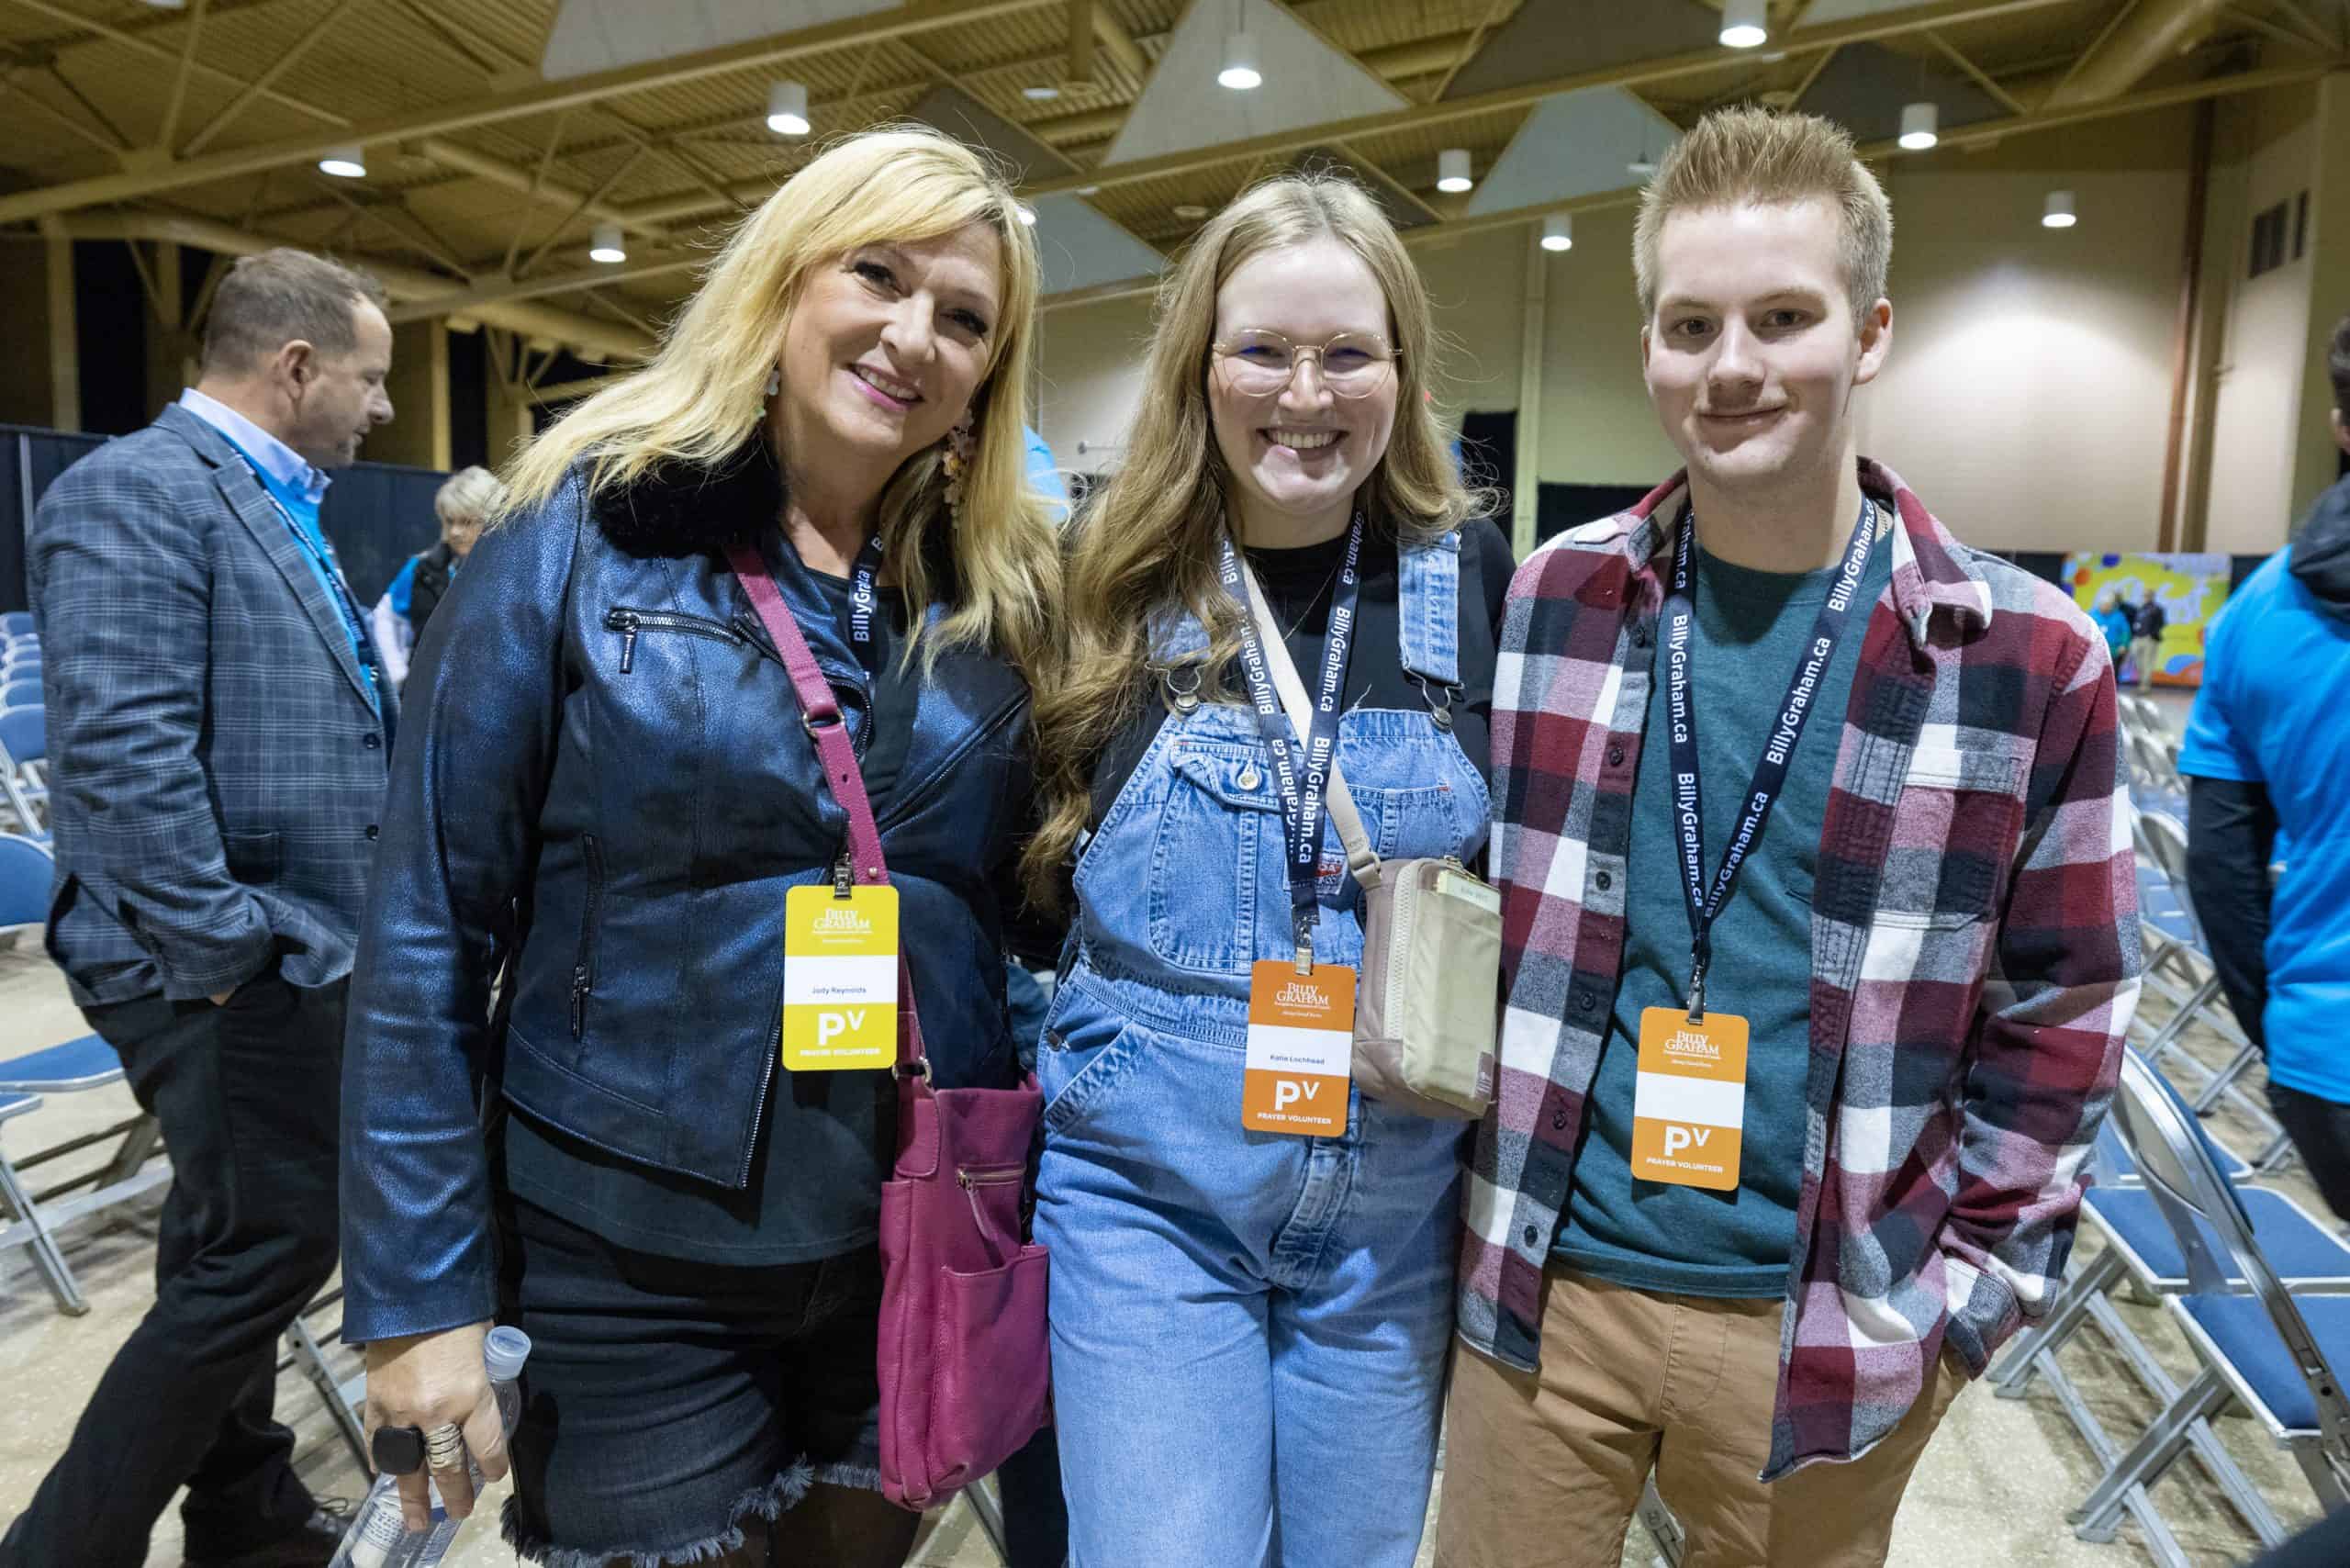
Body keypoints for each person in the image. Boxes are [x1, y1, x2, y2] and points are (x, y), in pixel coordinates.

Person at [338, 129, 1058, 1568]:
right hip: (630, 1263)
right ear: (786, 280)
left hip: (903, 1243)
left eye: (966, 318)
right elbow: (428, 920)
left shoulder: (1001, 596)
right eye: (879, 274)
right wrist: (419, 1298)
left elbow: (1023, 909)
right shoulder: (580, 531)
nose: (913, 336)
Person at [1441, 108, 2139, 1568]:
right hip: (1544, 1295)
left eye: (1781, 317)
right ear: (1647, 344)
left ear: (1870, 331)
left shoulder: (2029, 654)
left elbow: (2068, 1011)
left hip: (1821, 1321)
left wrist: (1962, 1316)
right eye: (1689, 324)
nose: (1732, 365)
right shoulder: (1560, 597)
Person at [1024, 173, 1511, 1567]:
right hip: (1151, 1217)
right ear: (1199, 365)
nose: (1308, 394)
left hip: (1391, 1224)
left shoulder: (1471, 575)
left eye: (1348, 352)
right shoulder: (1098, 578)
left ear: (1401, 373)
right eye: (1265, 351)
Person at [6, 248, 396, 1568]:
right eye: (369, 376)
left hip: (280, 941)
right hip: (211, 958)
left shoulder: (275, 496)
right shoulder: (138, 492)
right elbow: (121, 765)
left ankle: (247, 1511)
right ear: (295, 368)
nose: (381, 408)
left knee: (224, 1228)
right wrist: (232, 956)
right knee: (277, 1242)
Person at [2179, 310, 2350, 1222]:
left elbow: (2219, 871)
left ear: (2339, 426)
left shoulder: (2252, 615)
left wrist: (2282, 1036)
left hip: (2323, 1064)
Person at [369, 464, 501, 690]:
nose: (456, 532)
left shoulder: (514, 571)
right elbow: (385, 616)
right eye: (450, 521)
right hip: (427, 694)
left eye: (467, 521)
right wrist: (397, 674)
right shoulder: (422, 568)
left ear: (494, 519)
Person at [2130, 589, 2167, 691]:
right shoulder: (2140, 608)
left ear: (2152, 596)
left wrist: (2151, 634)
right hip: (2138, 638)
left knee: (2147, 662)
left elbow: (2162, 623)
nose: (2145, 597)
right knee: (2138, 662)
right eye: (2144, 595)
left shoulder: (2157, 609)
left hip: (2149, 639)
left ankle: (2145, 685)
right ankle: (2140, 682)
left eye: (2148, 595)